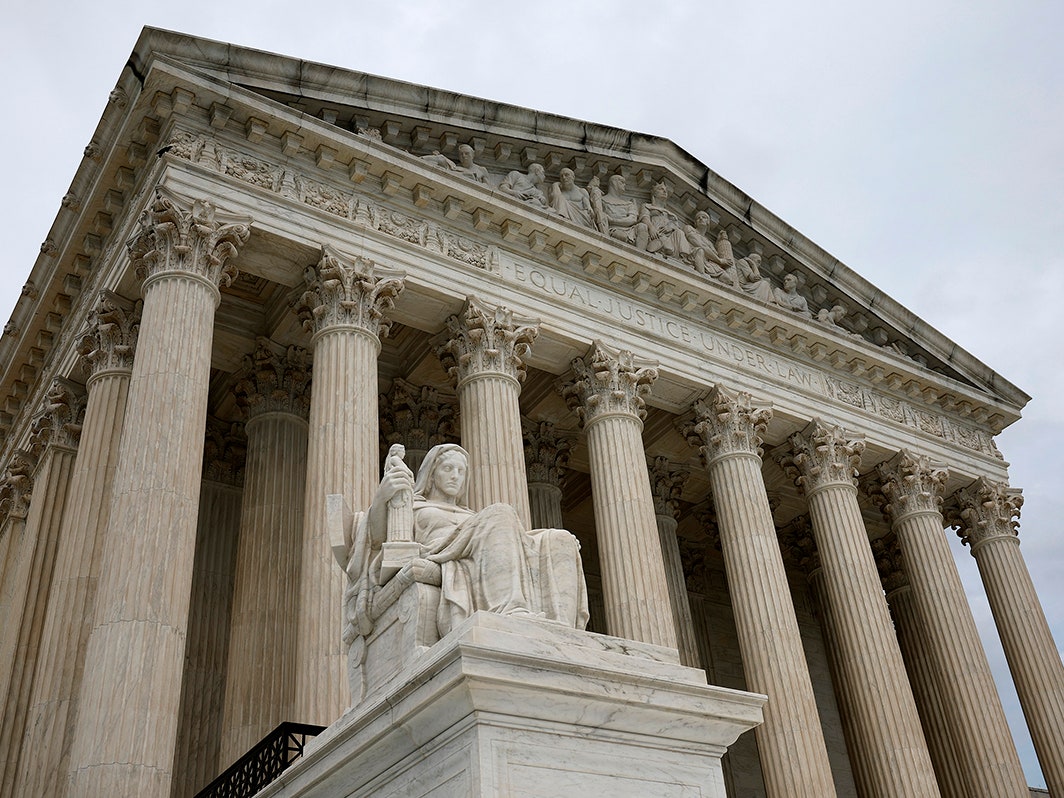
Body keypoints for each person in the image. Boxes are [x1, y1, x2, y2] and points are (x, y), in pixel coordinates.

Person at [361, 443, 588, 635]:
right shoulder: (414, 506)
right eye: (448, 468)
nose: (455, 476)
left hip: (473, 554)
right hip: (441, 552)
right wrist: (383, 497)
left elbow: (511, 543)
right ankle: (509, 611)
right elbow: (375, 540)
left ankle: (562, 630)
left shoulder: (473, 517)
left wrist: (542, 538)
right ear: (431, 474)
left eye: (461, 471)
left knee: (559, 538)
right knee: (501, 511)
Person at [637, 181, 690, 259]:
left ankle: (683, 257)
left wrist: (670, 227)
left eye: (665, 190)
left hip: (668, 234)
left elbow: (676, 225)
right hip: (654, 233)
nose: (664, 191)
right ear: (654, 193)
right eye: (660, 189)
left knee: (680, 232)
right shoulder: (647, 206)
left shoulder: (671, 214)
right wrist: (651, 228)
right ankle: (660, 245)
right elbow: (645, 217)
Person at [684, 211, 736, 284]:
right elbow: (699, 244)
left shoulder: (708, 242)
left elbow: (715, 253)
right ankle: (702, 277)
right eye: (698, 218)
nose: (701, 219)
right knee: (700, 250)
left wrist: (718, 242)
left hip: (708, 263)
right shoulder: (689, 228)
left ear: (708, 222)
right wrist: (719, 260)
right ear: (695, 223)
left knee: (727, 279)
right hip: (693, 256)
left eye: (703, 217)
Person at [600, 174, 642, 244]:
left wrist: (613, 220)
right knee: (620, 236)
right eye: (622, 182)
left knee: (642, 227)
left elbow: (632, 219)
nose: (624, 185)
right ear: (614, 183)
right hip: (613, 229)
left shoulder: (629, 203)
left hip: (630, 230)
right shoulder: (602, 200)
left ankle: (641, 253)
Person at [420, 143, 489, 184]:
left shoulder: (481, 170)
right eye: (461, 154)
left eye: (467, 153)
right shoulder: (455, 167)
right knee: (440, 158)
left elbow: (488, 188)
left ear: (473, 154)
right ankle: (418, 160)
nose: (464, 156)